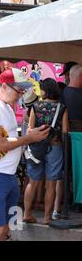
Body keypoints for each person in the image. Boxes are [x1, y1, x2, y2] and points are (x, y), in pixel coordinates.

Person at [0, 68, 50, 241]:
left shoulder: (5, 106)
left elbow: (9, 139)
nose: (21, 95)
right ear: (4, 86)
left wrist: (28, 136)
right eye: (19, 90)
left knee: (6, 228)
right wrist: (29, 138)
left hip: (6, 174)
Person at [23, 79, 68, 225]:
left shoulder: (35, 107)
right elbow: (65, 132)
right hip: (55, 147)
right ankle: (47, 218)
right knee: (51, 183)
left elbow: (30, 129)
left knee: (32, 182)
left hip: (36, 147)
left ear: (45, 91)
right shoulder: (62, 107)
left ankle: (27, 214)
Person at [61, 64, 82, 213]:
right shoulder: (65, 93)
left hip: (65, 138)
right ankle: (75, 201)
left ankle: (69, 200)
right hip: (74, 139)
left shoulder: (62, 94)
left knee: (68, 171)